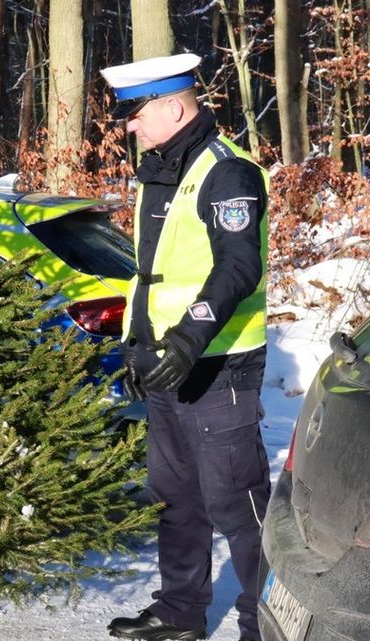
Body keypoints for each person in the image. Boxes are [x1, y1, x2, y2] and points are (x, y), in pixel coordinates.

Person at [100, 53, 271, 641]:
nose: (129, 124)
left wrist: (190, 336)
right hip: (166, 365)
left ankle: (265, 622)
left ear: (173, 107)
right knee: (175, 500)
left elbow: (238, 266)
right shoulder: (162, 167)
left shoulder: (228, 173)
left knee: (238, 508)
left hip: (219, 366)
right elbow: (153, 272)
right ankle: (180, 613)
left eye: (136, 111)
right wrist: (138, 345)